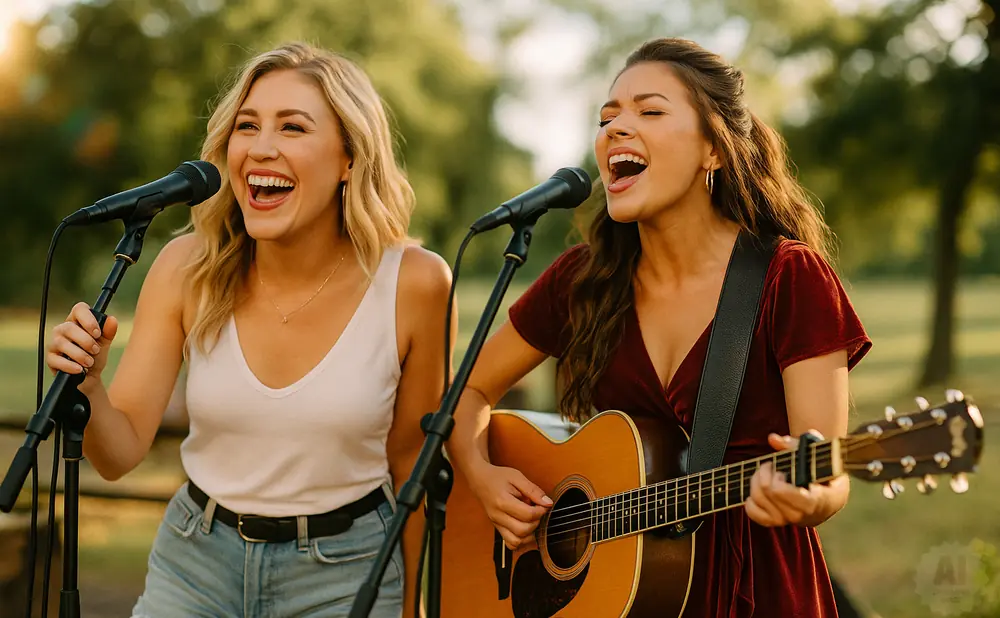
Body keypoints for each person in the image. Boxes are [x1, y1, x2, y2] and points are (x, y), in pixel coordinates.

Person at [447, 37, 871, 617]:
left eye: (649, 111)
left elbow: (830, 469)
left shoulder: (787, 277)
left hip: (758, 591)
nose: (617, 128)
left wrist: (808, 496)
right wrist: (483, 475)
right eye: (607, 117)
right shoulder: (582, 280)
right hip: (617, 594)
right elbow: (466, 392)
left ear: (713, 150)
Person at [45, 42, 453, 617]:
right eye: (248, 126)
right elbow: (117, 453)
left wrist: (410, 607)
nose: (262, 148)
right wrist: (86, 387)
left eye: (293, 128)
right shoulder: (186, 268)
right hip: (194, 567)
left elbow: (412, 461)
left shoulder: (416, 283)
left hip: (346, 575)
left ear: (349, 160)